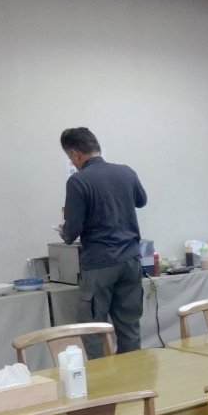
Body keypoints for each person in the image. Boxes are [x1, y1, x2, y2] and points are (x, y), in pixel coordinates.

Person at [58, 127, 147, 355]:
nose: (72, 163)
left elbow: (72, 231)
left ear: (75, 153)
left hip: (99, 264)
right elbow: (141, 201)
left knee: (92, 329)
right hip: (130, 260)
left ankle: (101, 376)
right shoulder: (126, 172)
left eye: (70, 158)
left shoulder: (78, 181)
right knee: (129, 326)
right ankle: (133, 374)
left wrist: (64, 232)